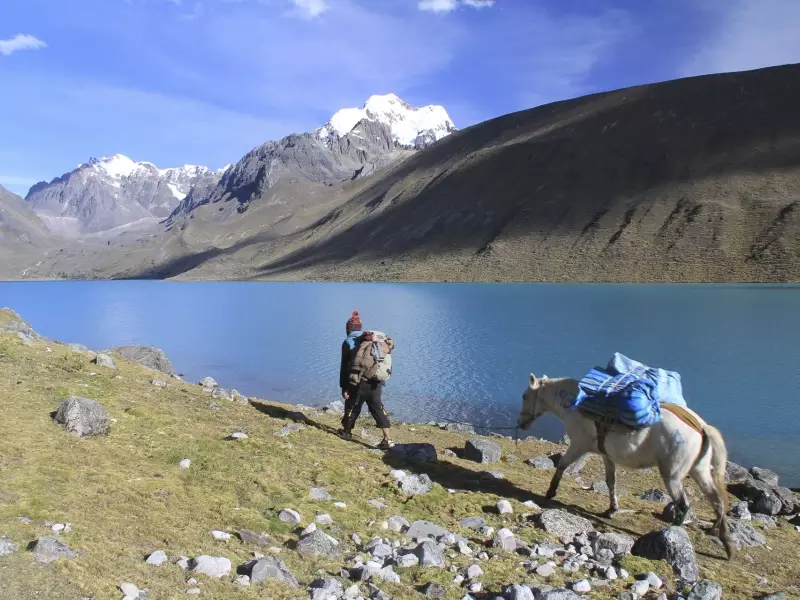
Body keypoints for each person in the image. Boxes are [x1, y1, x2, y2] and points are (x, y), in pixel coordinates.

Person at [338, 310, 395, 449]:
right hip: (376, 381)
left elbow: (345, 367)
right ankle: (388, 439)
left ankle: (347, 432)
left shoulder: (349, 342)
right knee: (377, 407)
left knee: (352, 405)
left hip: (359, 380)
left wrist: (344, 386)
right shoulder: (373, 340)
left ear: (347, 328)